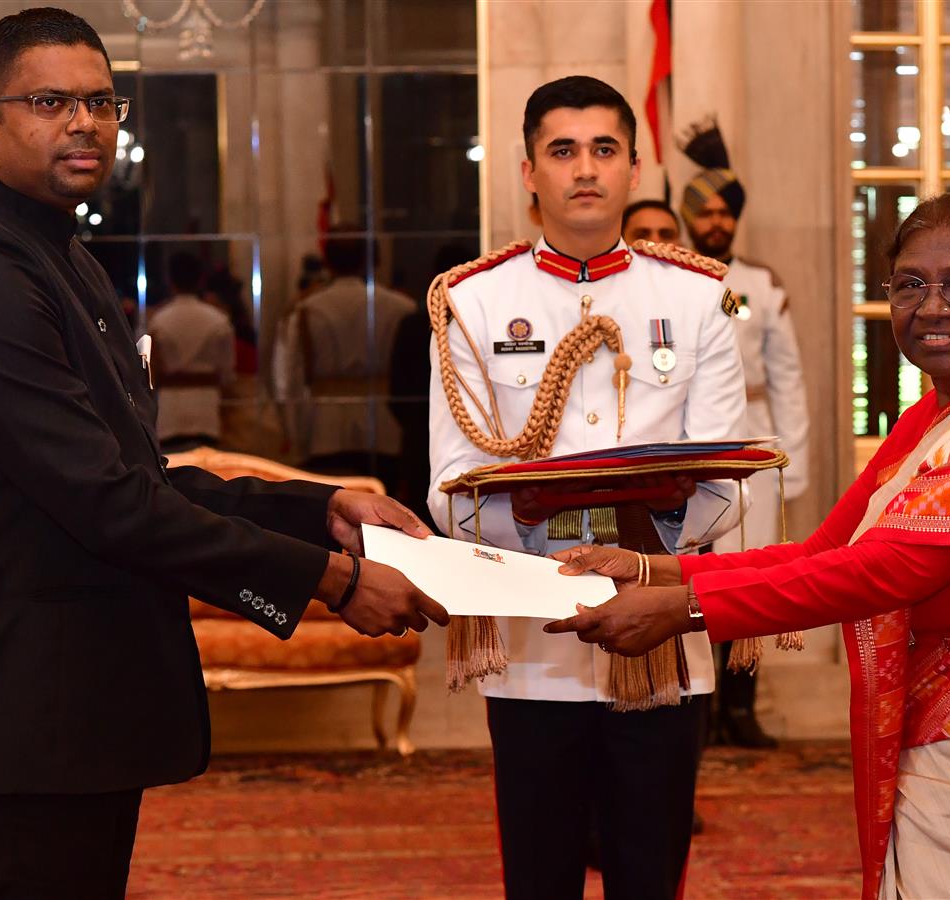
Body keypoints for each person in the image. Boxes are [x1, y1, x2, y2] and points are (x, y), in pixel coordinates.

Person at [0, 10, 447, 899]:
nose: (85, 123)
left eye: (103, 102)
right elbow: (108, 503)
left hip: (75, 715)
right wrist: (332, 580)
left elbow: (142, 479)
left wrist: (320, 508)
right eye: (51, 102)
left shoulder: (56, 252)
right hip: (22, 720)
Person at [546, 192, 950, 899]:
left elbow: (884, 572)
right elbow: (825, 550)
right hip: (942, 741)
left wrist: (682, 611)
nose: (933, 307)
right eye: (910, 285)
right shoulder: (932, 415)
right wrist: (651, 567)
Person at [427, 76, 747, 900]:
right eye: (562, 150)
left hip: (662, 631)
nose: (584, 169)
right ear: (528, 171)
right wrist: (545, 526)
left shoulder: (700, 298)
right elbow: (451, 489)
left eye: (604, 149)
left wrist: (654, 528)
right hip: (536, 644)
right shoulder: (473, 303)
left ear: (635, 168)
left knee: (650, 875)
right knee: (540, 878)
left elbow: (729, 483)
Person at [678, 120, 810, 748]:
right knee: (691, 580)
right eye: (705, 212)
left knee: (747, 582)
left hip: (752, 450)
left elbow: (788, 378)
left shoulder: (756, 287)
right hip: (687, 451)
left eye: (725, 213)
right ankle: (697, 709)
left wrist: (794, 461)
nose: (716, 223)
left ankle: (740, 707)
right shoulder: (674, 282)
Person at [273, 226, 417, 478]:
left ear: (327, 260)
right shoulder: (402, 307)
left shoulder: (307, 308)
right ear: (372, 259)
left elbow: (291, 375)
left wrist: (294, 431)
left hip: (324, 427)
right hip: (385, 424)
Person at [147, 250, 234, 450]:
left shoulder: (159, 320)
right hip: (207, 410)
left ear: (170, 280)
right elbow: (227, 374)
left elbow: (150, 373)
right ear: (201, 280)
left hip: (169, 412)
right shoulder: (219, 320)